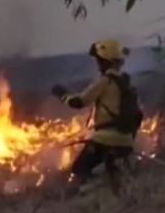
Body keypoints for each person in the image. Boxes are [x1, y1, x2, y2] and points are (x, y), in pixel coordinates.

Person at [51, 39, 143, 189]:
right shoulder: (128, 84)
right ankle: (113, 183)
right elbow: (139, 115)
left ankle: (95, 188)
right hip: (126, 140)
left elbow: (80, 102)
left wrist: (62, 94)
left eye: (99, 60)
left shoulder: (105, 81)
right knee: (114, 175)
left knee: (79, 169)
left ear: (105, 61)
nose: (98, 64)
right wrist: (128, 138)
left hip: (104, 140)